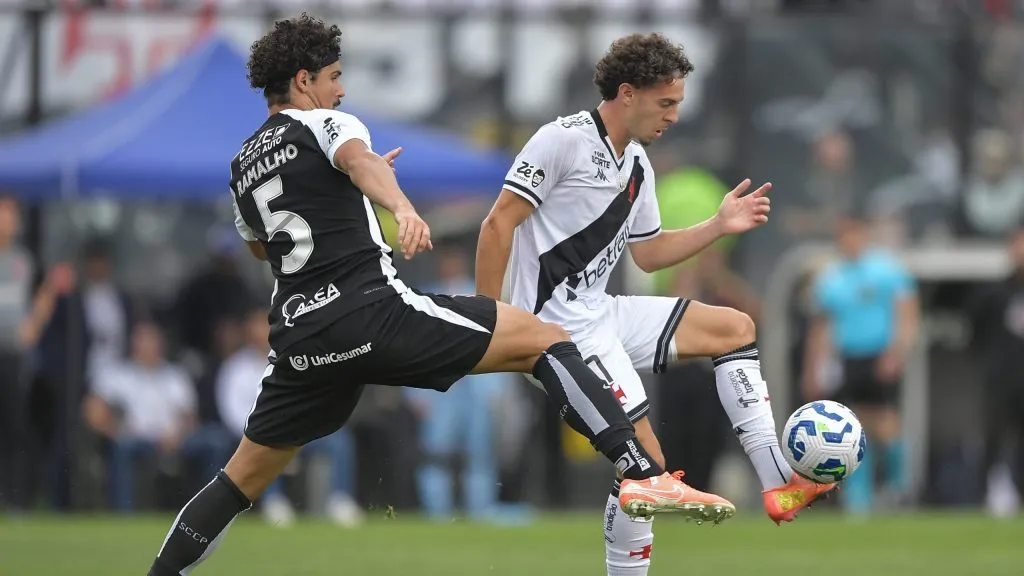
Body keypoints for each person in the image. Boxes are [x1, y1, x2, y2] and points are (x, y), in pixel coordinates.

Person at [145, 15, 712, 576]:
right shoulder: (326, 124)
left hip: (300, 339)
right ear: (303, 81)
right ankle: (643, 471)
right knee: (545, 338)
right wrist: (400, 205)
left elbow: (262, 247)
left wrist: (345, 193)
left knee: (238, 479)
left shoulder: (243, 164)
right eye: (334, 77)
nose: (340, 91)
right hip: (369, 311)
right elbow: (359, 161)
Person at [475, 33, 833, 576]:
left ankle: (779, 483)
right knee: (648, 467)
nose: (673, 116)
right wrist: (489, 318)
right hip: (557, 332)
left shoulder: (638, 164)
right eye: (665, 103)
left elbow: (648, 253)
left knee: (734, 327)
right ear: (627, 93)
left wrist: (717, 225)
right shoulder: (562, 140)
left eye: (677, 104)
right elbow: (497, 223)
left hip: (600, 312)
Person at [803, 212, 918, 514]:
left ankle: (898, 487)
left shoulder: (886, 271)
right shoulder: (830, 278)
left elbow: (907, 313)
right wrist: (813, 368)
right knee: (853, 428)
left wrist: (897, 352)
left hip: (880, 355)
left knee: (887, 423)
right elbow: (821, 327)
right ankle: (859, 497)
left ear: (864, 234)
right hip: (848, 358)